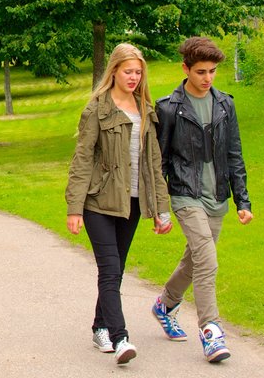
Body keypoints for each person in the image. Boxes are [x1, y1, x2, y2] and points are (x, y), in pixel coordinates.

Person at [66, 43, 172, 365]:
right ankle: (120, 336)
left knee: (116, 270)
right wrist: (74, 207)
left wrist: (161, 208)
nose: (134, 78)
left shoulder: (145, 108)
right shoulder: (96, 109)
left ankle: (100, 326)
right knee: (110, 269)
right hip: (99, 201)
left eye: (138, 72)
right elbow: (82, 158)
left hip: (133, 202)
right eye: (128, 71)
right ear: (114, 70)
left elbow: (154, 162)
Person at [150, 36, 253, 364]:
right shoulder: (169, 108)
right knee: (208, 261)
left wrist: (243, 201)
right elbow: (159, 161)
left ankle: (164, 304)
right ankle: (211, 331)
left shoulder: (225, 104)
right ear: (185, 69)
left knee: (195, 260)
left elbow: (234, 153)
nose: (207, 78)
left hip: (217, 197)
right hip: (185, 194)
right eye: (201, 72)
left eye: (212, 71)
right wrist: (160, 208)